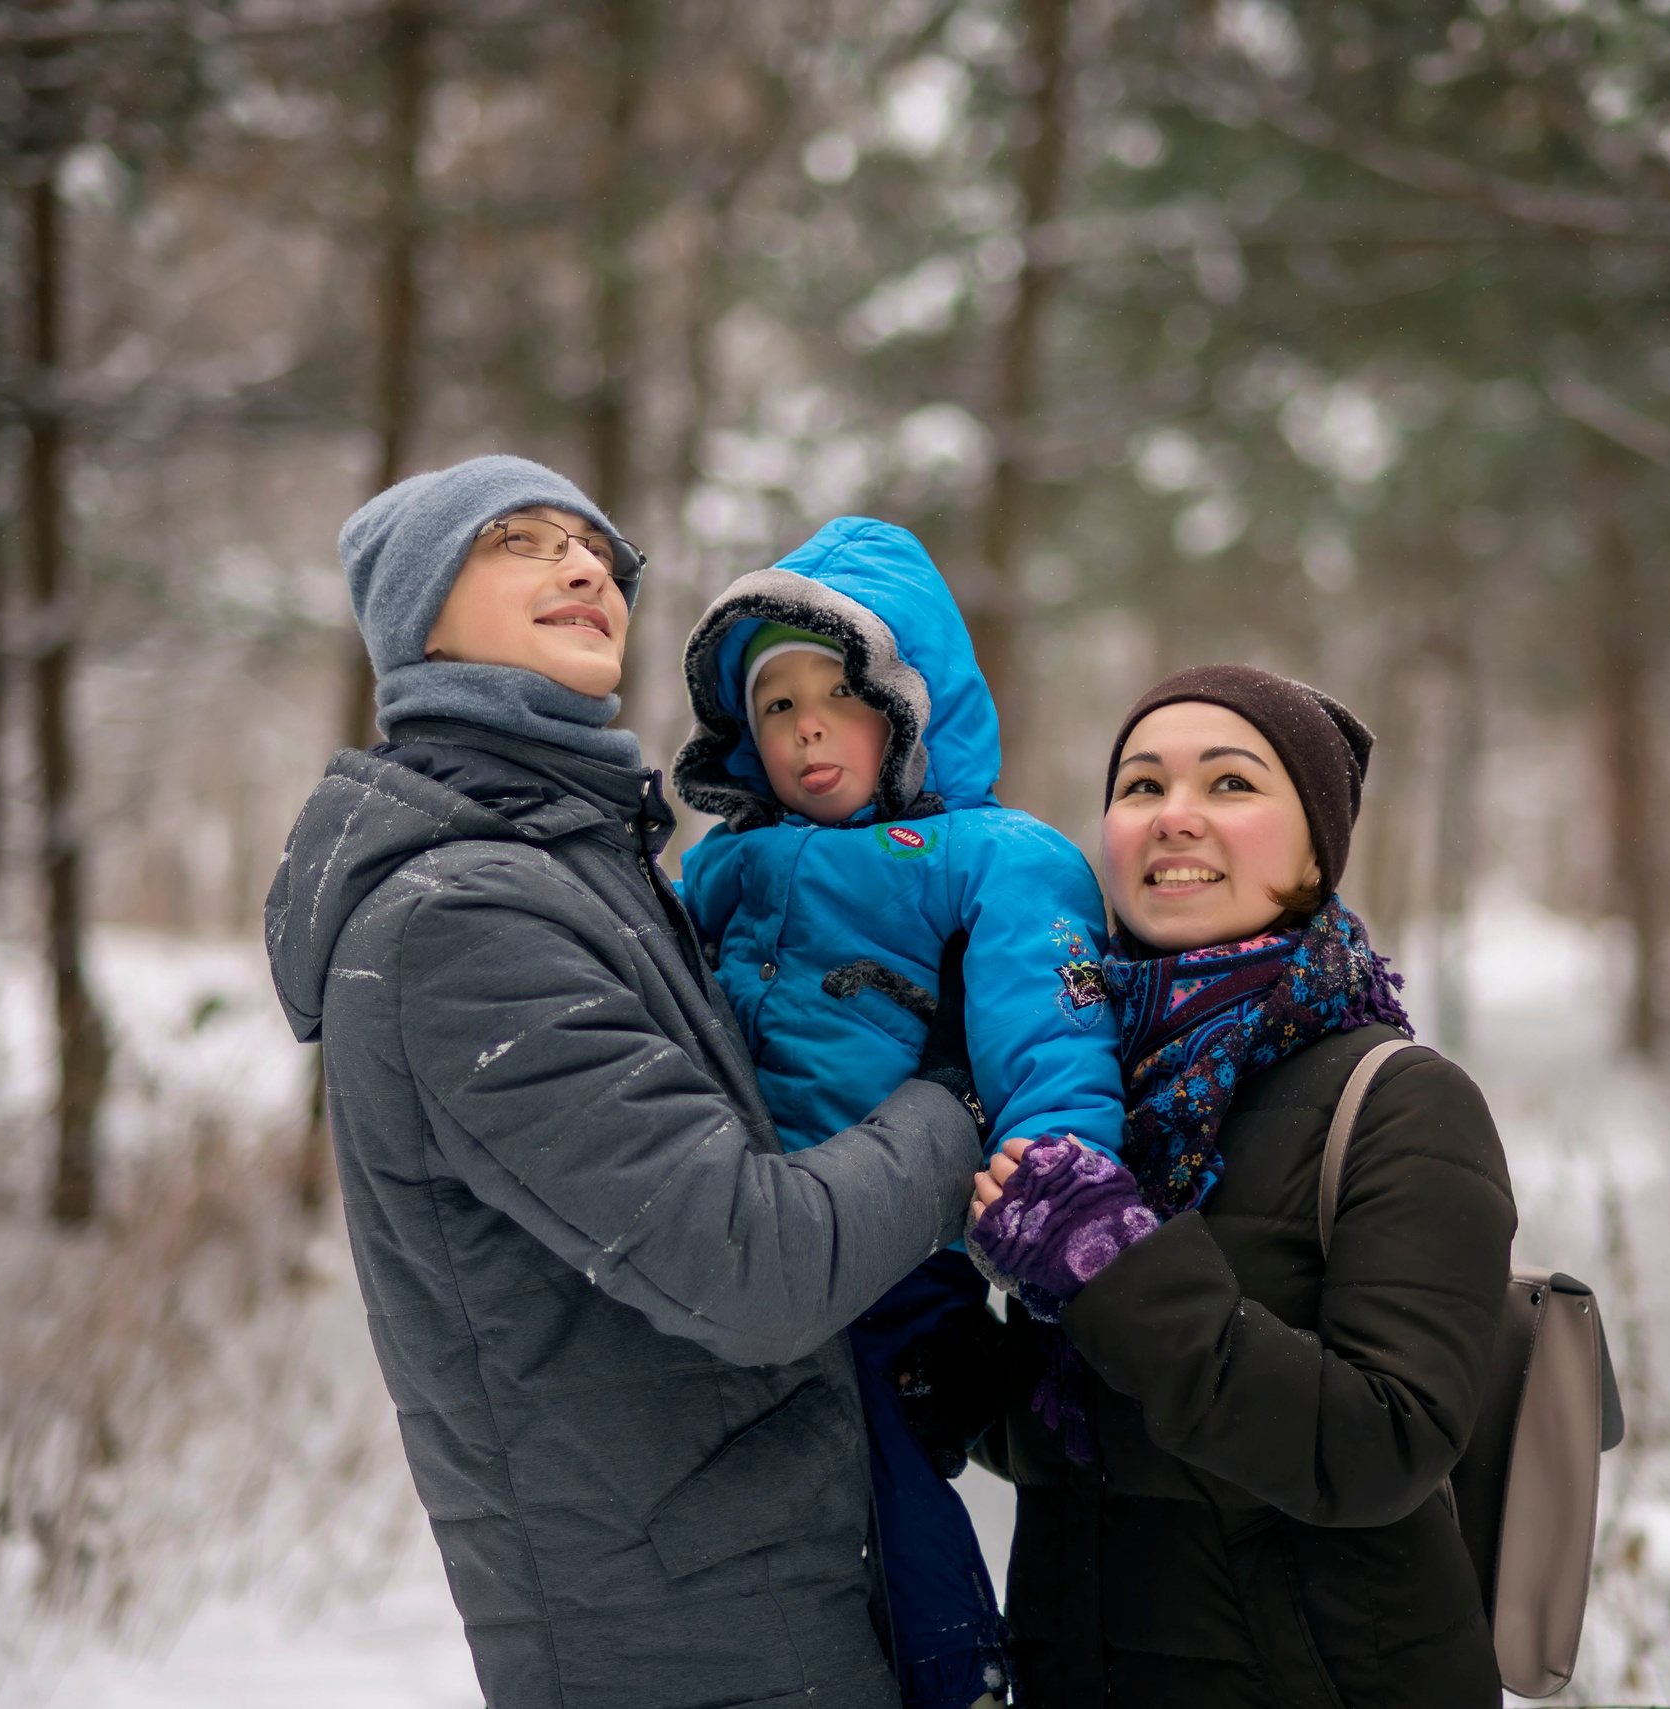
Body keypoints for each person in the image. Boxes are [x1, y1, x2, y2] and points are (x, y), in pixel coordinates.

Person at [264, 456, 986, 1709]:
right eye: (518, 541)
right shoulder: (461, 919)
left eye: (596, 547)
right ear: (416, 609)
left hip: (757, 1586)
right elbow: (750, 1261)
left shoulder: (582, 866)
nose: (585, 566)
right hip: (674, 1641)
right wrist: (960, 1103)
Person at [965, 664, 1519, 1707]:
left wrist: (1114, 1262)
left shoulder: (1399, 1101)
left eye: (1229, 783)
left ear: (1317, 850)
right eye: (1139, 786)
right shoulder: (1072, 1096)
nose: (1174, 816)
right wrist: (947, 1365)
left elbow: (1382, 1443)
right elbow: (1090, 1442)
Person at [672, 516, 1126, 1709]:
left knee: (868, 1457)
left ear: (913, 705)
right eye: (776, 706)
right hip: (747, 1234)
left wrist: (1060, 1191)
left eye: (840, 692)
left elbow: (1050, 1038)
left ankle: (956, 1669)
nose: (808, 726)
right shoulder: (716, 868)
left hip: (895, 1263)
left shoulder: (992, 856)